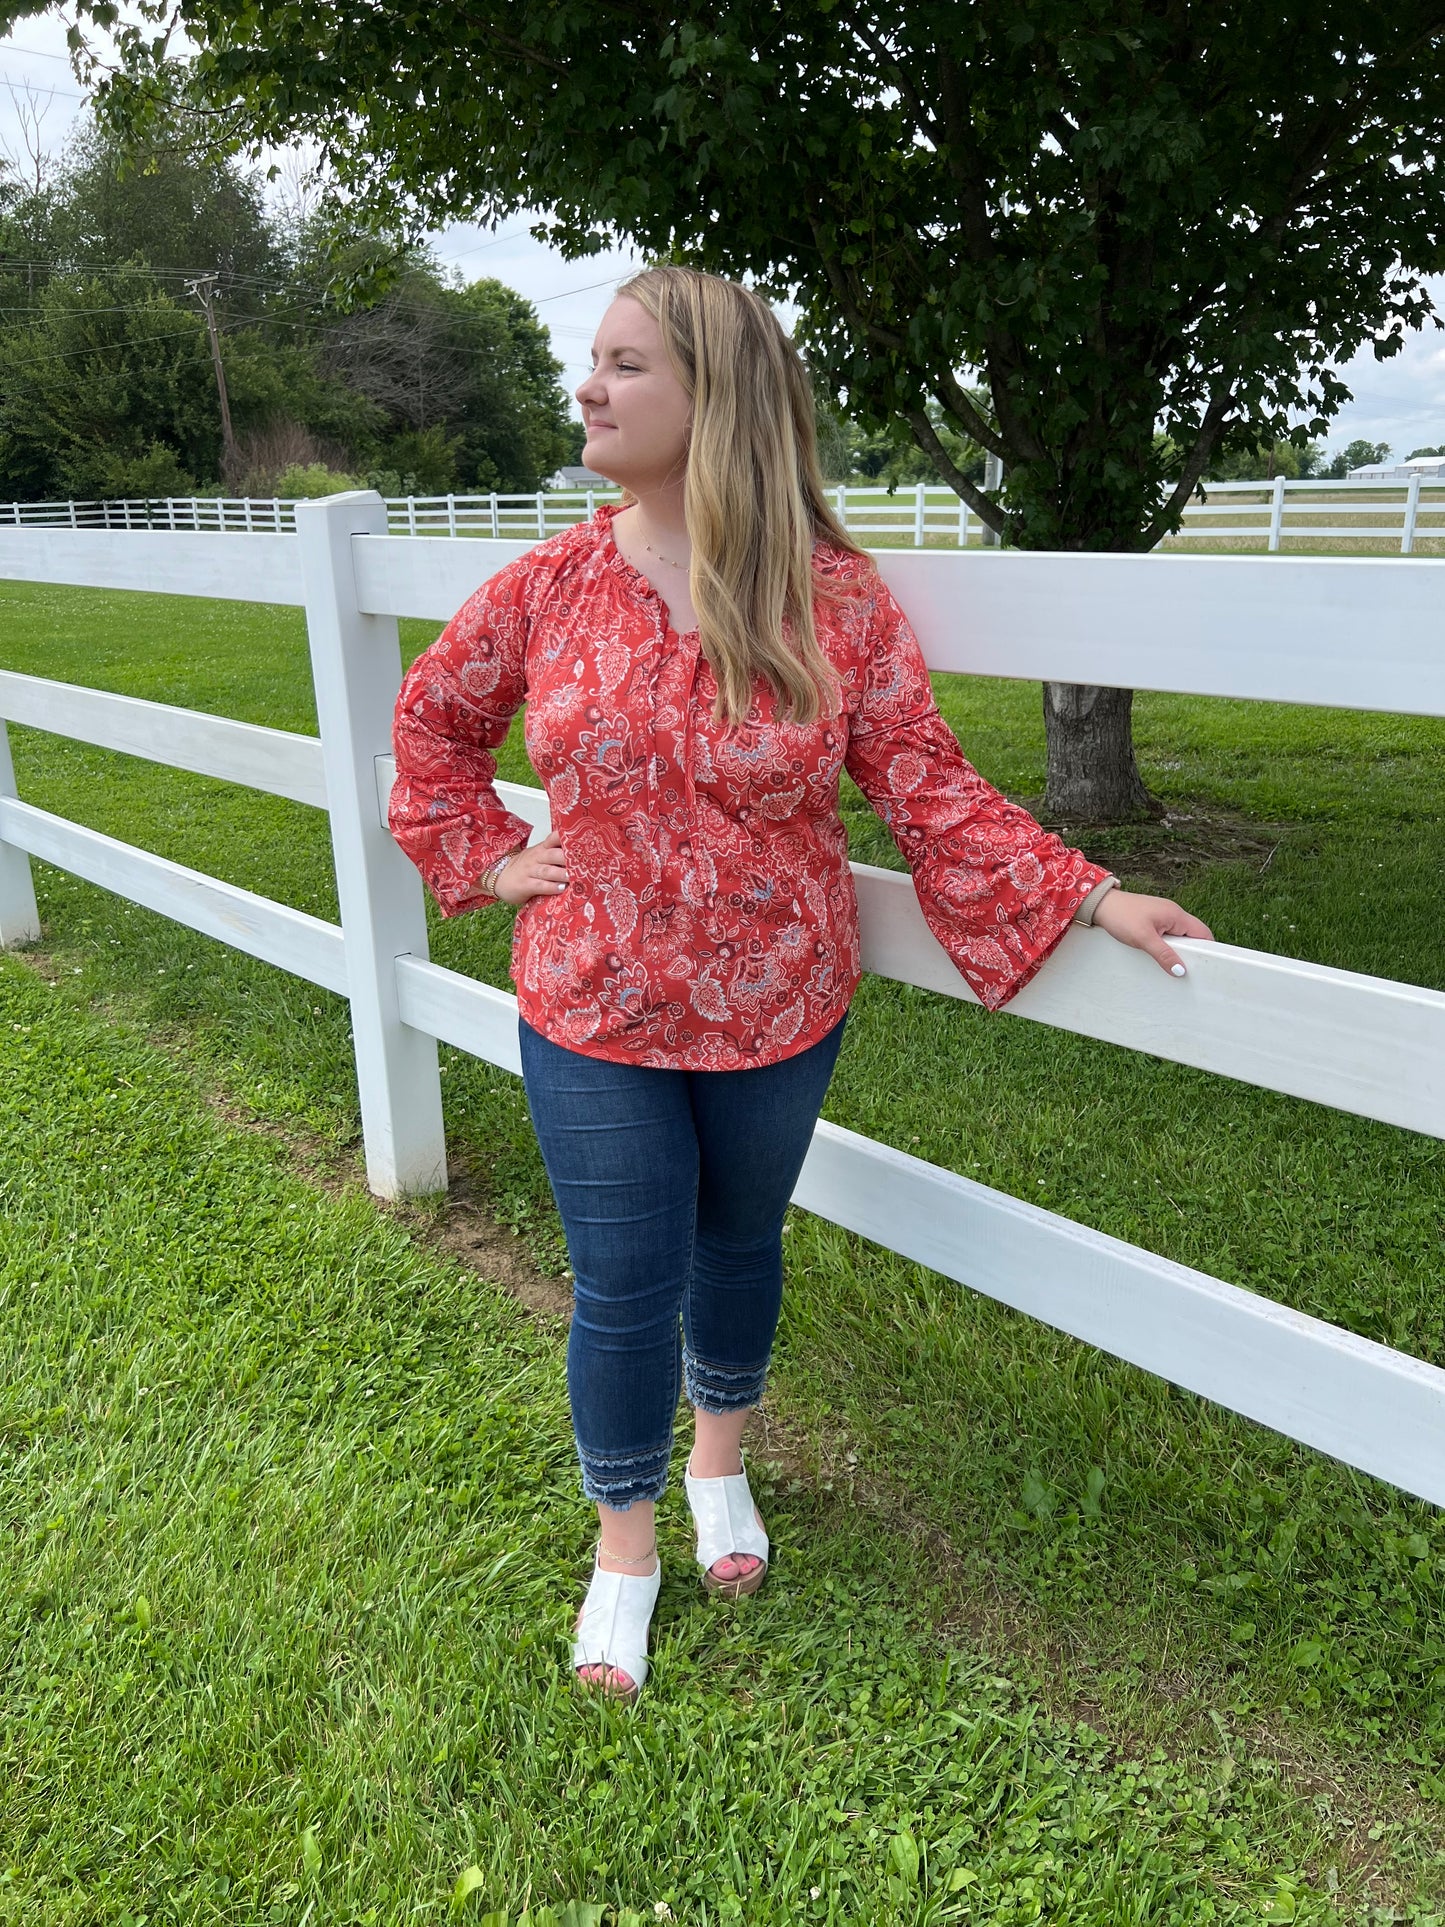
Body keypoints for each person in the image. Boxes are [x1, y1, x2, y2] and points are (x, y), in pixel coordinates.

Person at [388, 266, 1213, 1703]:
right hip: (593, 1004)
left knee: (740, 1245)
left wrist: (1083, 892)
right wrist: (487, 857)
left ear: (720, 397)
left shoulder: (831, 599)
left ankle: (722, 1466)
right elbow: (430, 725)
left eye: (627, 363)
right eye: (593, 359)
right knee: (623, 1284)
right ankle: (624, 1546)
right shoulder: (546, 588)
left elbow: (922, 780)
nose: (588, 385)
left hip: (782, 1004)